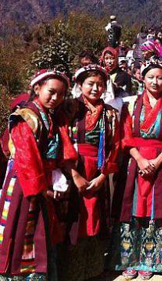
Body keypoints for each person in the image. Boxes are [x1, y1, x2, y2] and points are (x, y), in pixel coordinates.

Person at [0, 69, 77, 280]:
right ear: (37, 88)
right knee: (22, 229)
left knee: (40, 231)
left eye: (60, 95)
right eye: (51, 92)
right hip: (25, 183)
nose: (55, 98)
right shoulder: (26, 117)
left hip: (40, 181)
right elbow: (27, 158)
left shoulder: (51, 117)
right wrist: (44, 190)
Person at [114, 58, 162, 280]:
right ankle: (128, 259)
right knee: (132, 209)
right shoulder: (130, 104)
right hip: (135, 161)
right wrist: (139, 159)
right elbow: (125, 136)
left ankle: (151, 261)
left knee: (156, 209)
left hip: (161, 162)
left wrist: (158, 161)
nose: (155, 81)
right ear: (142, 78)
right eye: (151, 77)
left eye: (160, 77)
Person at [58, 65, 121, 281]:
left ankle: (93, 269)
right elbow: (63, 139)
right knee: (73, 217)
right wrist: (74, 174)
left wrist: (103, 176)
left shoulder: (111, 114)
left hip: (98, 171)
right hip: (74, 169)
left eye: (100, 84)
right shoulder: (69, 108)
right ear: (80, 85)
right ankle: (71, 271)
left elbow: (115, 147)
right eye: (90, 83)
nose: (95, 88)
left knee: (96, 216)